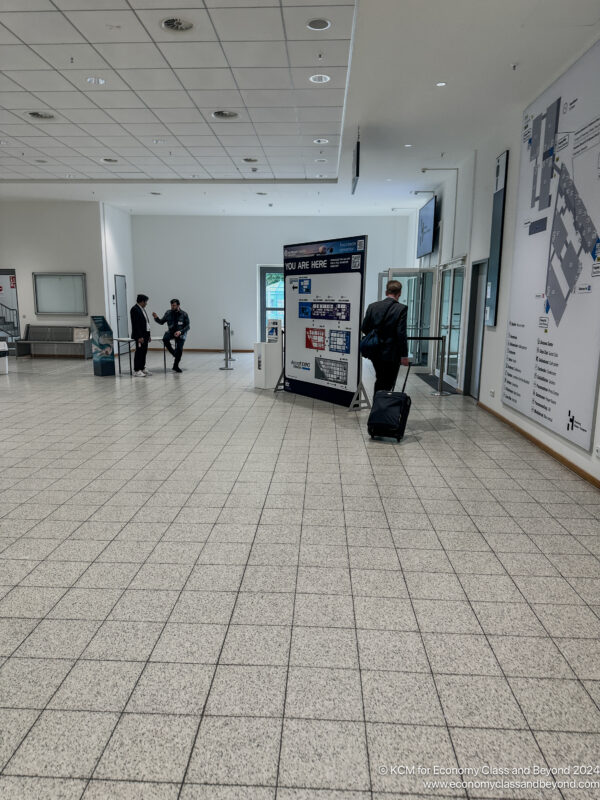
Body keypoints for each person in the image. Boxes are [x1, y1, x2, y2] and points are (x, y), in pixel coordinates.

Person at [361, 279, 409, 394]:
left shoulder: (373, 306)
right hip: (391, 353)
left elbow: (364, 327)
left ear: (386, 292)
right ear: (399, 293)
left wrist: (376, 336)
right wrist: (404, 355)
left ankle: (378, 406)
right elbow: (401, 333)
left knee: (380, 378)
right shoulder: (401, 308)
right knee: (387, 382)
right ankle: (380, 407)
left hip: (375, 351)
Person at [152, 299, 190, 373]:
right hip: (171, 332)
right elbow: (161, 322)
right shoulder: (168, 313)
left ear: (178, 305)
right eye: (171, 305)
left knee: (179, 349)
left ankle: (175, 366)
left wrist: (180, 332)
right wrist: (156, 318)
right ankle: (173, 353)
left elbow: (188, 326)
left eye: (174, 305)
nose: (172, 307)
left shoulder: (184, 314)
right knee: (165, 338)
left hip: (181, 333)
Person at [130, 293, 152, 377]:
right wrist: (139, 336)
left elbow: (146, 322)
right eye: (146, 302)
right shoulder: (135, 309)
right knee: (139, 352)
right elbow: (136, 324)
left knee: (144, 352)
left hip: (145, 334)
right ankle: (136, 370)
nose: (146, 303)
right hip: (140, 336)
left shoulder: (142, 309)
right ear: (142, 301)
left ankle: (142, 368)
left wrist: (149, 335)